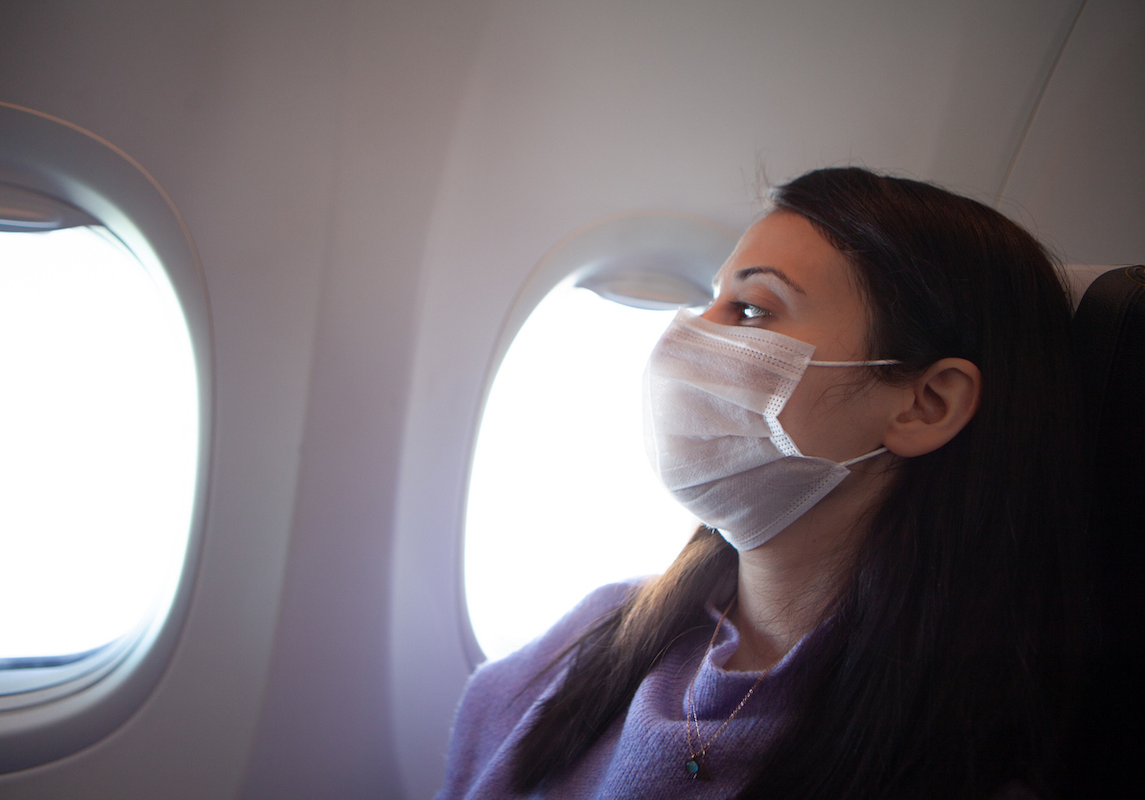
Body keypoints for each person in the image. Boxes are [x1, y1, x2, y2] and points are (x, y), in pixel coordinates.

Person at [437, 167, 1085, 799]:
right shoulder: (596, 633)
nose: (682, 339)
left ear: (926, 405)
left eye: (751, 309)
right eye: (708, 300)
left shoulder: (956, 761)